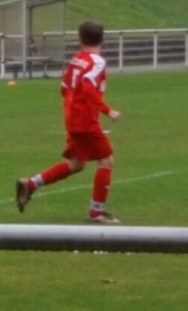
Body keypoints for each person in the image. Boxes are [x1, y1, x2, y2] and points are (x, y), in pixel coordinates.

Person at [15, 20, 123, 224]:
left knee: (76, 164)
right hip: (85, 120)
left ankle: (30, 184)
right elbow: (88, 87)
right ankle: (96, 212)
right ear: (103, 39)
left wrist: (73, 106)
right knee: (106, 161)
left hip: (72, 117)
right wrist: (108, 111)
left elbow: (64, 88)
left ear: (79, 39)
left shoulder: (77, 59)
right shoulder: (97, 61)